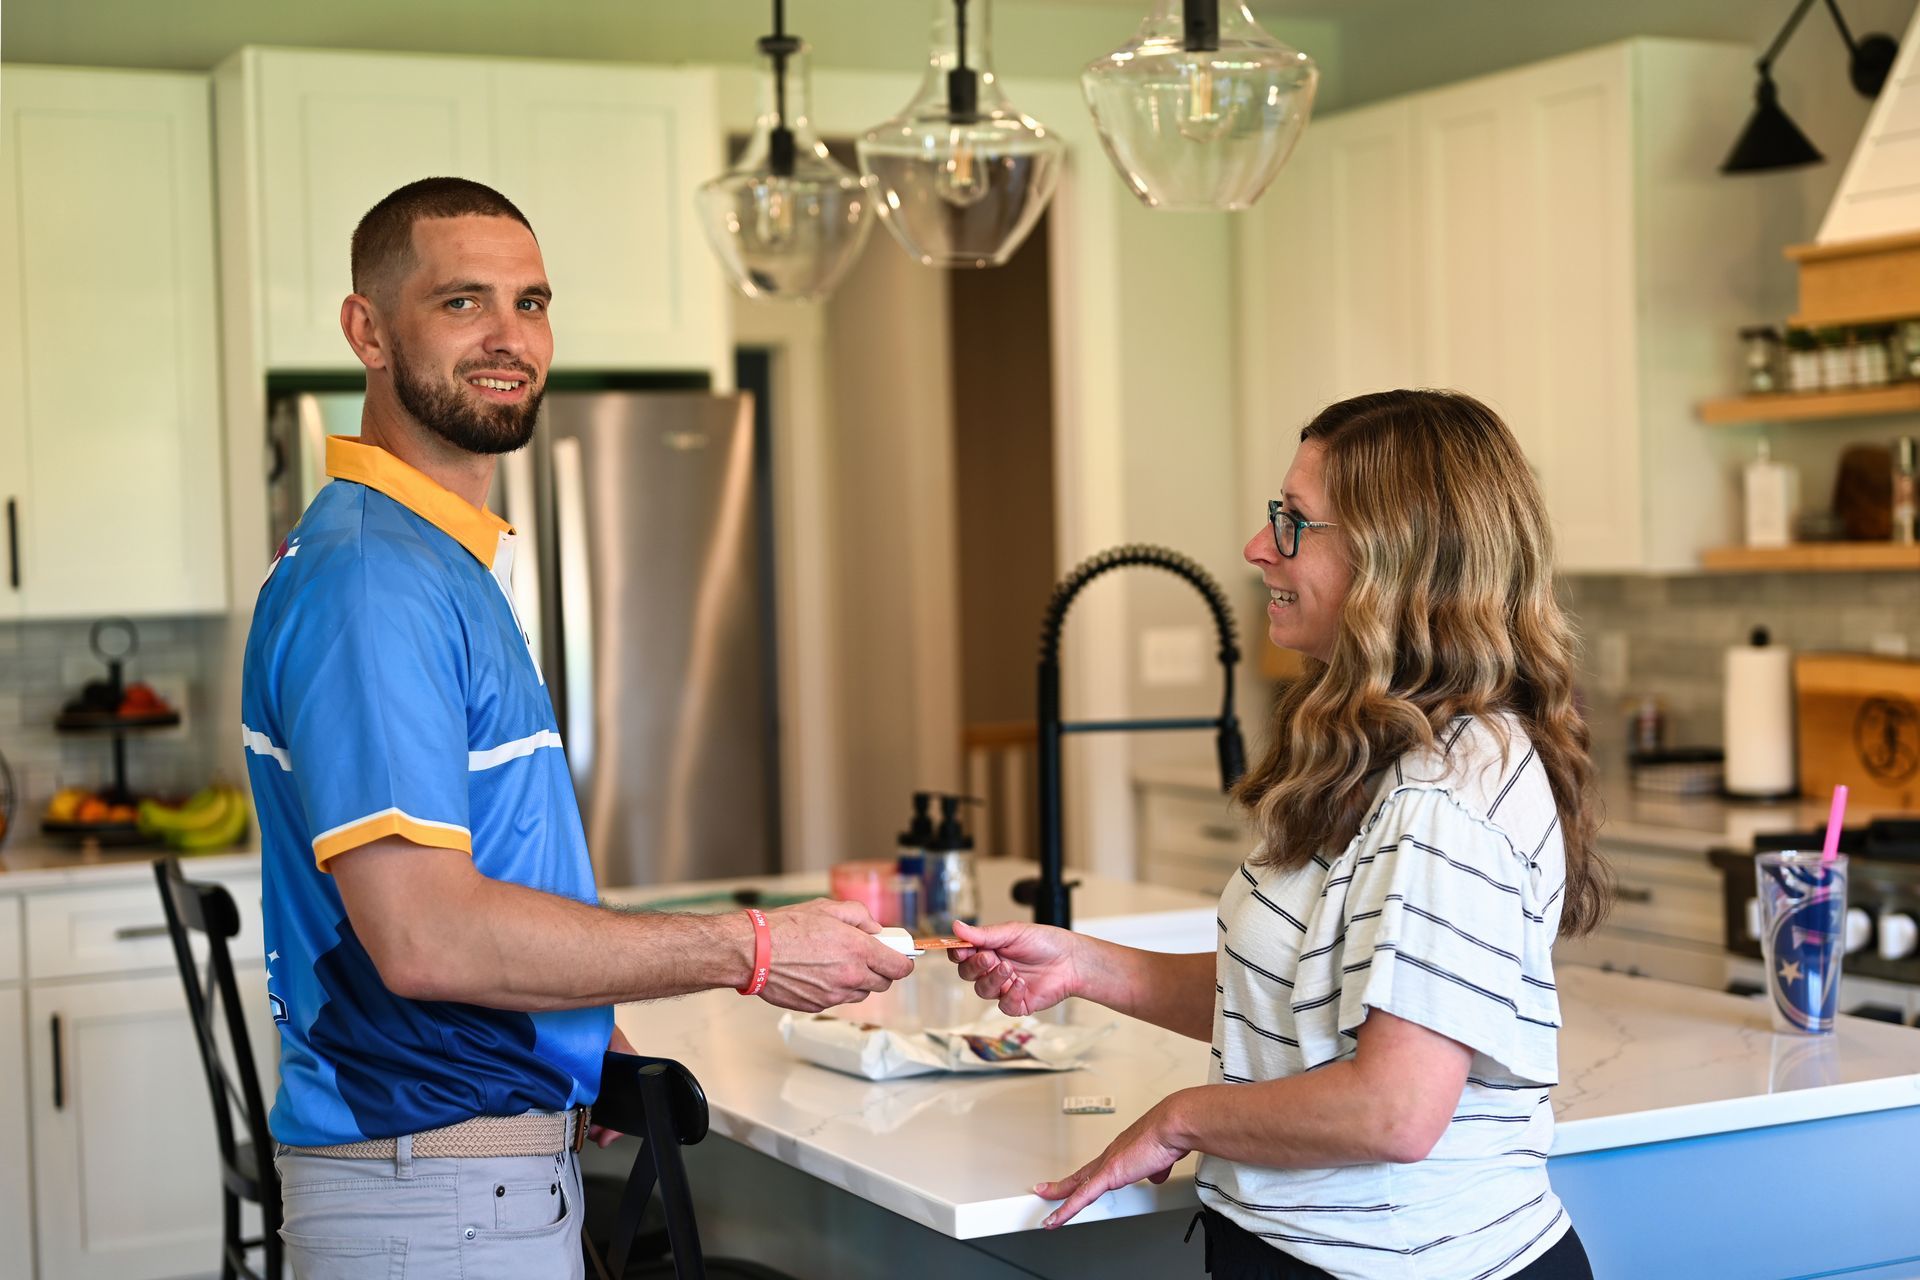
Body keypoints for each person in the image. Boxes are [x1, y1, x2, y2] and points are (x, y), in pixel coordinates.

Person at [241, 177, 914, 1279]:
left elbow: (485, 869)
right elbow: (426, 934)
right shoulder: (374, 580)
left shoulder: (430, 562)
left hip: (461, 1177)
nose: (512, 337)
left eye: (533, 301)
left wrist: (578, 1029)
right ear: (367, 328)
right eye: (463, 302)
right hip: (436, 1195)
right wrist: (750, 946)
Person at [949, 389, 1607, 1280]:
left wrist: (1180, 1117)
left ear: (1394, 560)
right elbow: (1307, 996)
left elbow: (1393, 1110)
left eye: (1294, 522)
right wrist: (1083, 966)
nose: (1260, 547)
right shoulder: (1380, 749)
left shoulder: (1448, 794)